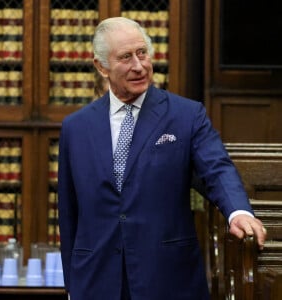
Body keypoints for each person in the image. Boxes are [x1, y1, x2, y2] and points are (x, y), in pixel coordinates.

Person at [57, 17, 266, 300]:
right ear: (101, 66)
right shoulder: (76, 127)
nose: (139, 65)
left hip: (167, 278)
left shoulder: (186, 116)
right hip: (96, 281)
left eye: (142, 53)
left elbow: (217, 168)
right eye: (126, 57)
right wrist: (72, 285)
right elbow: (69, 212)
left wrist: (237, 211)